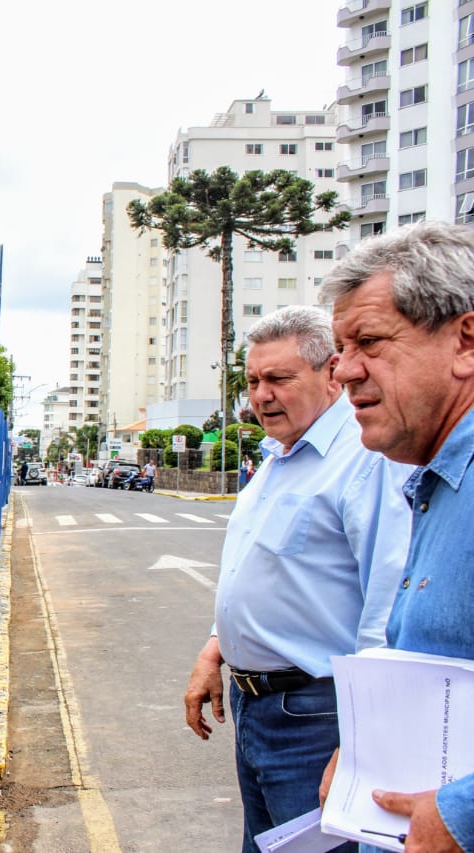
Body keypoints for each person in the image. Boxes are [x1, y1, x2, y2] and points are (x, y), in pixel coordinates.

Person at [183, 306, 412, 853]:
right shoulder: (277, 457)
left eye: (279, 379)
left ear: (332, 373)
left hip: (318, 717)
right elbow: (262, 570)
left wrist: (363, 743)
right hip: (255, 709)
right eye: (254, 380)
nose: (261, 395)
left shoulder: (364, 459)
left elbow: (388, 605)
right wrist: (216, 649)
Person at [321, 220, 474, 852]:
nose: (345, 372)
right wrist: (364, 753)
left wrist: (463, 813)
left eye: (370, 342)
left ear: (466, 341)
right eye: (339, 347)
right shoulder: (435, 482)